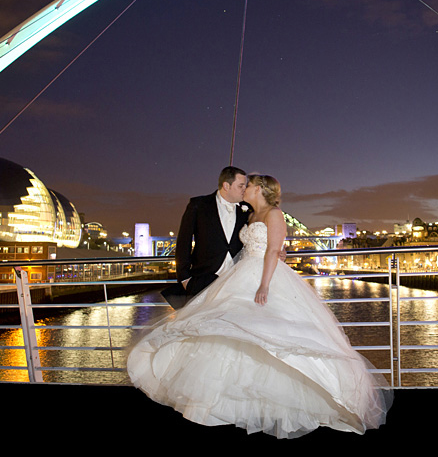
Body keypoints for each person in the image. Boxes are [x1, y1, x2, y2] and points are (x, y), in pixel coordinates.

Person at [127, 174, 393, 438]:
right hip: (240, 274)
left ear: (260, 189)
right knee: (235, 333)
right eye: (242, 184)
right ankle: (233, 404)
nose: (245, 189)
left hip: (264, 278)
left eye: (249, 185)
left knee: (270, 334)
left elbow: (272, 250)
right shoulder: (249, 214)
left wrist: (265, 284)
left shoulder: (275, 214)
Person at [161, 166, 250, 309]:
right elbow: (184, 241)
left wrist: (277, 250)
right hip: (204, 279)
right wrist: (185, 278)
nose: (244, 189)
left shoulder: (247, 209)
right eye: (241, 186)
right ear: (226, 186)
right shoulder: (198, 205)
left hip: (236, 281)